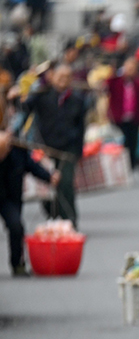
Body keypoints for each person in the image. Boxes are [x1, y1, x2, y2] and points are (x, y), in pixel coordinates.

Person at [18, 63, 88, 226]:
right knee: (46, 186)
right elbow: (25, 107)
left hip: (68, 149)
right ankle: (53, 216)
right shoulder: (42, 95)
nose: (63, 80)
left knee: (66, 184)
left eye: (67, 77)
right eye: (59, 77)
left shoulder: (77, 99)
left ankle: (70, 221)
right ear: (53, 78)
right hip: (46, 148)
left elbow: (81, 126)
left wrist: (79, 151)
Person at [0, 125, 59, 276]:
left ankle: (17, 264)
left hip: (10, 198)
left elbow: (32, 166)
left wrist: (49, 176)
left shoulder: (18, 150)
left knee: (16, 227)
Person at [106, 56, 139, 170]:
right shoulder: (116, 81)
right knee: (120, 143)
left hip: (134, 118)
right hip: (118, 118)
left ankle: (131, 166)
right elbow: (106, 86)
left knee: (133, 142)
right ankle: (119, 167)